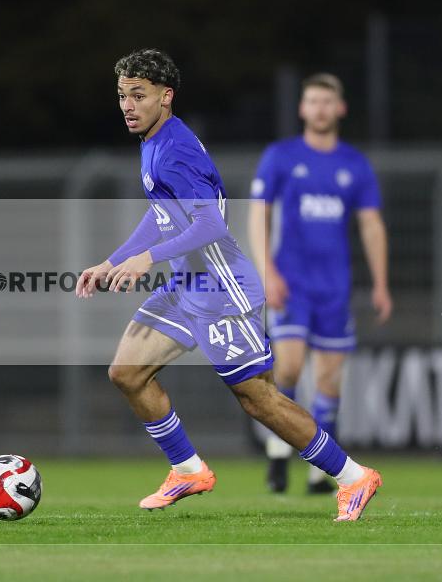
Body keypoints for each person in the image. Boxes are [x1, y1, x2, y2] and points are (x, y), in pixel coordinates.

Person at [75, 49, 382, 521]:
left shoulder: (174, 149)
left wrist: (145, 259)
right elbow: (163, 217)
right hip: (186, 284)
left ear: (166, 96)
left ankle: (352, 477)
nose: (128, 105)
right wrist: (112, 261)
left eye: (139, 95)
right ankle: (188, 468)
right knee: (127, 372)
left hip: (220, 287)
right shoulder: (153, 141)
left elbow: (213, 225)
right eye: (122, 95)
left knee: (258, 398)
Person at [247, 73, 392, 494]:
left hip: (335, 288)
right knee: (288, 368)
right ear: (302, 109)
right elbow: (259, 215)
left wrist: (381, 283)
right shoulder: (281, 156)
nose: (321, 108)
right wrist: (268, 272)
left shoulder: (354, 164)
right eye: (313, 101)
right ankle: (278, 452)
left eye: (328, 101)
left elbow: (371, 225)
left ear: (340, 108)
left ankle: (320, 471)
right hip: (291, 284)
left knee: (329, 381)